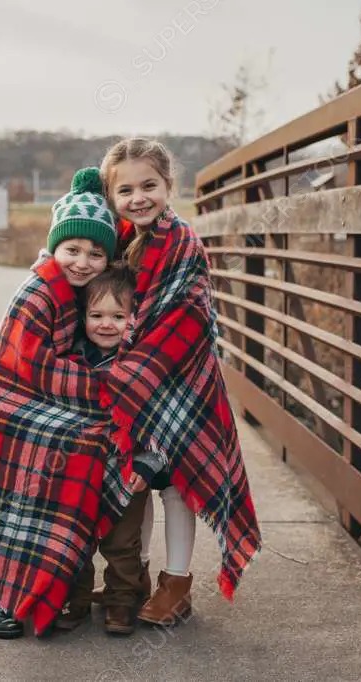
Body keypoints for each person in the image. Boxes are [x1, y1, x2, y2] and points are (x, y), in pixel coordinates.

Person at [93, 137, 263, 625]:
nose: (139, 197)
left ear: (169, 186)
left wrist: (129, 372)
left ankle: (178, 583)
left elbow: (186, 315)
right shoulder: (120, 240)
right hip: (138, 385)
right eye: (126, 190)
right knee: (138, 481)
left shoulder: (182, 242)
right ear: (112, 194)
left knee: (177, 486)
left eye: (149, 185)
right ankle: (137, 577)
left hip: (181, 383)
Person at [0, 167, 136, 639]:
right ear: (54, 246)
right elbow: (34, 364)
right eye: (72, 250)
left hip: (39, 402)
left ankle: (45, 582)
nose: (82, 262)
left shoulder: (78, 291)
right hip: (2, 404)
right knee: (6, 503)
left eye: (96, 253)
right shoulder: (39, 290)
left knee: (88, 450)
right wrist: (105, 392)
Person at [53, 264, 153, 635]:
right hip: (78, 467)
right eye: (96, 315)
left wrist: (147, 464)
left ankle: (121, 602)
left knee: (123, 542)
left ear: (134, 318)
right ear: (83, 317)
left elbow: (157, 421)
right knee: (74, 535)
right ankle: (74, 599)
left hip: (127, 467)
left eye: (118, 316)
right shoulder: (71, 359)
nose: (106, 324)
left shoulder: (141, 363)